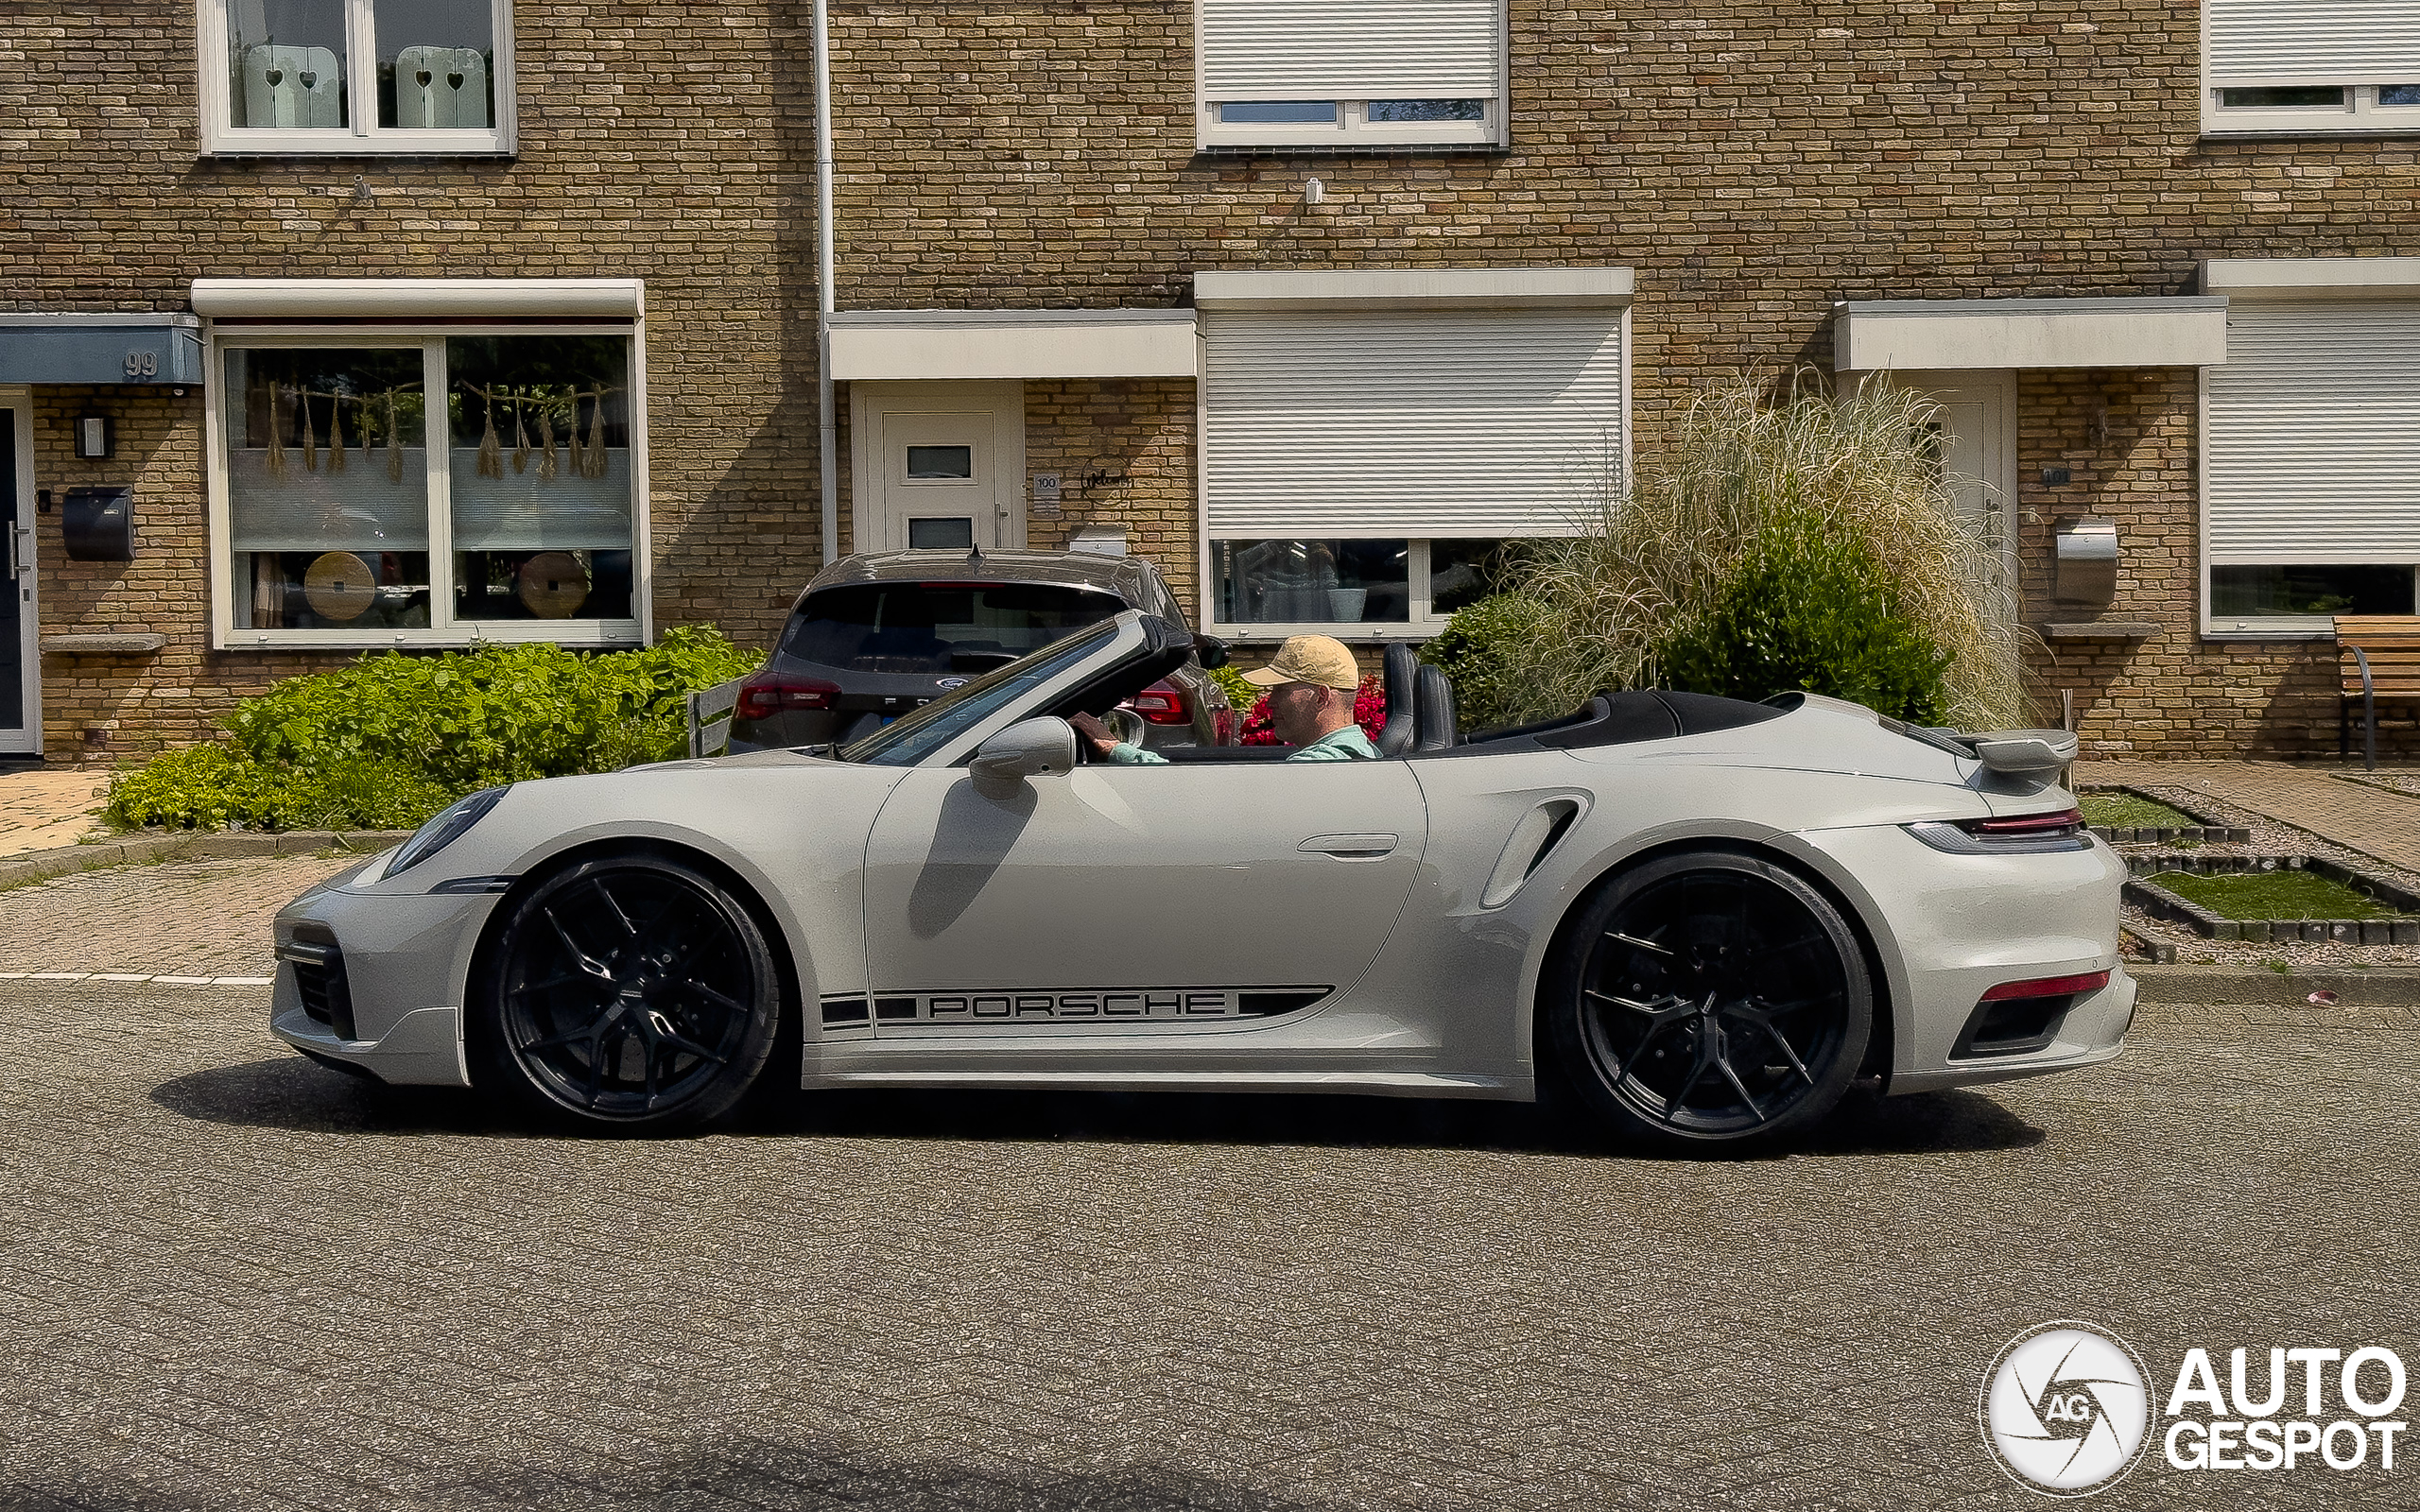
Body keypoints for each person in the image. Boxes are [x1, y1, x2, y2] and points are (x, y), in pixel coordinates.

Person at [1071, 633, 1378, 764]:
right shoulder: (1352, 756)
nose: (1269, 702)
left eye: (1281, 689)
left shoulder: (1322, 767)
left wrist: (1117, 750)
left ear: (1321, 696)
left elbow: (1210, 798)